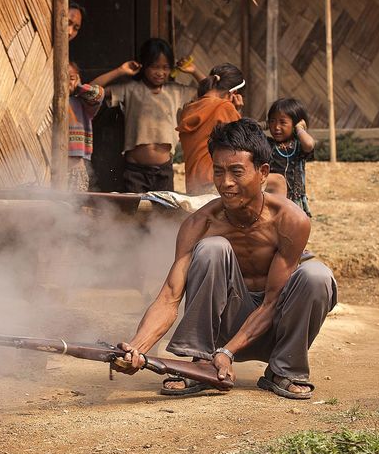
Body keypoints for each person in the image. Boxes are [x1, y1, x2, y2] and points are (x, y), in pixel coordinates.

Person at [114, 119, 337, 400]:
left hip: (274, 329)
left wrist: (228, 352)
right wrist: (137, 348)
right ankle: (198, 363)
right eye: (218, 172)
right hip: (224, 325)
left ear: (263, 172)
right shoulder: (201, 223)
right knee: (212, 248)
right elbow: (170, 296)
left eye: (236, 172)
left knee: (317, 276)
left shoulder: (291, 219)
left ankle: (284, 369)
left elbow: (271, 302)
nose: (226, 183)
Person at [92, 38, 205, 192]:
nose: (160, 72)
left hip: (164, 171)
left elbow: (212, 92)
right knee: (134, 215)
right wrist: (120, 71)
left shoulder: (177, 91)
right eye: (154, 66)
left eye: (165, 67)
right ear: (143, 65)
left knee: (162, 215)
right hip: (135, 172)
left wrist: (194, 71)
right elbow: (91, 89)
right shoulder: (130, 89)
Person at [177, 63, 245, 195]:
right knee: (278, 181)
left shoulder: (189, 108)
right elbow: (243, 142)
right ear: (234, 93)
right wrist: (238, 111)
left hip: (193, 184)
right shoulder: (224, 107)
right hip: (216, 181)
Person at [264, 98, 316, 216]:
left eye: (283, 122)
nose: (276, 127)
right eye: (272, 121)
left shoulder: (299, 146)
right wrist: (264, 125)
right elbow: (250, 128)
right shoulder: (267, 144)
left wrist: (300, 128)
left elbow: (309, 144)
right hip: (273, 198)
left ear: (294, 124)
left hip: (294, 201)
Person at [66, 61, 104, 191]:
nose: (66, 82)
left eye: (71, 78)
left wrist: (78, 87)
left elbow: (98, 94)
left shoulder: (83, 103)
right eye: (61, 77)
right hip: (51, 168)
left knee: (74, 207)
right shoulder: (47, 101)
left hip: (75, 169)